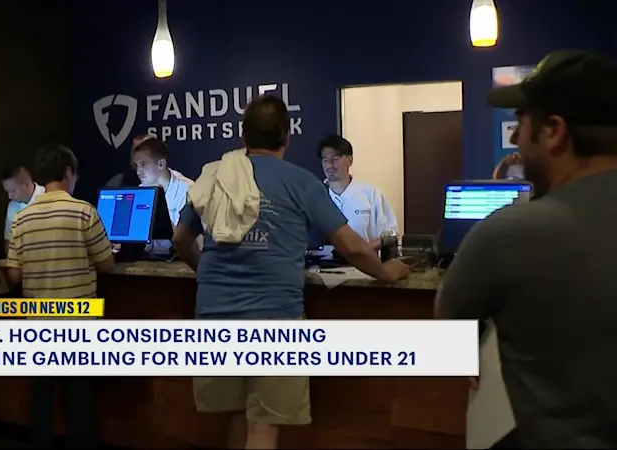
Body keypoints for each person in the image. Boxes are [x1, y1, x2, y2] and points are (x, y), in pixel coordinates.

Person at [172, 95, 410, 449]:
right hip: (274, 321)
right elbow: (353, 246)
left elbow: (180, 239)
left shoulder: (215, 178)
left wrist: (206, 272)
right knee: (263, 426)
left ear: (243, 136)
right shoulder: (301, 182)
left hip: (214, 318)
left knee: (237, 417)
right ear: (287, 136)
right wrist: (388, 273)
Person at [435, 50, 617, 448]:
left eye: (521, 123)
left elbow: (449, 325)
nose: (515, 139)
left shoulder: (508, 233)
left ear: (553, 131)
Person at [5, 143, 115, 449]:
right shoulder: (84, 212)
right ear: (69, 173)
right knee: (79, 396)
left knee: (41, 396)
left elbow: (14, 275)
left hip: (38, 323)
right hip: (78, 321)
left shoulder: (21, 219)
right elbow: (107, 264)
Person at [318, 134, 398, 248]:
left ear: (350, 160)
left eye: (335, 159)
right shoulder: (316, 196)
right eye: (325, 160)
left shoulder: (371, 194)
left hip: (364, 258)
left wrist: (365, 249)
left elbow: (392, 234)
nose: (330, 165)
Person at [2, 164, 44, 254]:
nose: (9, 196)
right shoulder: (12, 206)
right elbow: (8, 242)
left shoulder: (47, 196)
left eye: (13, 191)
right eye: (7, 192)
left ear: (26, 185)